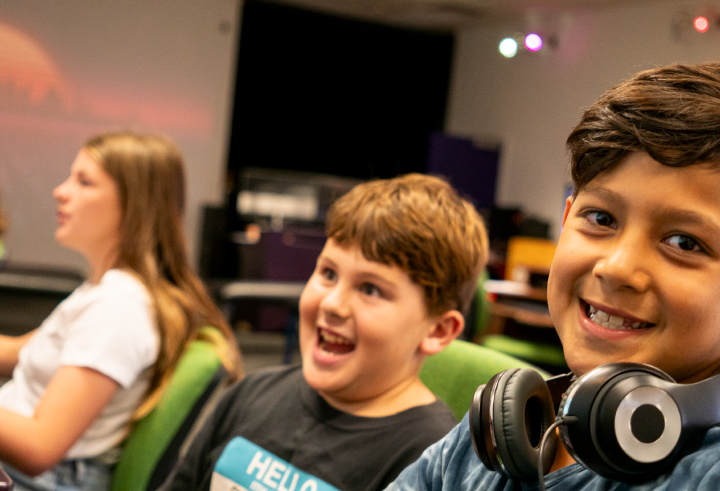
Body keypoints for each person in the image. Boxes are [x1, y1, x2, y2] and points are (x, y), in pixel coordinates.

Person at [385, 62, 720, 490]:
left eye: (683, 243)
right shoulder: (494, 438)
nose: (617, 267)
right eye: (600, 218)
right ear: (565, 223)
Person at [159, 173, 489, 491]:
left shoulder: (433, 464)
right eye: (328, 273)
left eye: (370, 289)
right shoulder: (251, 393)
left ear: (438, 330)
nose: (332, 304)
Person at [0, 131, 243, 490]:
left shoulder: (119, 307)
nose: (61, 191)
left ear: (133, 207)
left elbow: (39, 448)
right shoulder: (104, 291)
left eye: (84, 182)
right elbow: (20, 352)